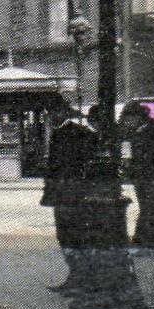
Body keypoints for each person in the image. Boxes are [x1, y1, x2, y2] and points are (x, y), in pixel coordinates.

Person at [42, 106, 99, 294]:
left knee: (71, 235)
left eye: (52, 112)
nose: (49, 116)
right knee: (67, 235)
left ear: (63, 113)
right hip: (65, 193)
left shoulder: (74, 133)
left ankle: (80, 277)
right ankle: (77, 276)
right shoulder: (64, 132)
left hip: (71, 194)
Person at [123, 104, 154, 254]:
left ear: (137, 118)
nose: (126, 122)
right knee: (151, 208)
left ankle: (141, 244)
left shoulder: (148, 133)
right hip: (145, 177)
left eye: (128, 118)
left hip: (149, 177)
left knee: (148, 208)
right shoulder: (142, 132)